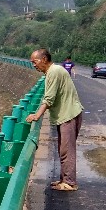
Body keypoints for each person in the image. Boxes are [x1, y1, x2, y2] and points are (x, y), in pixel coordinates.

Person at [26, 48, 84, 191]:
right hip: (65, 114)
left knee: (66, 150)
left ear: (44, 59)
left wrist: (37, 115)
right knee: (62, 148)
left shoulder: (54, 72)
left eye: (35, 61)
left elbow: (49, 98)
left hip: (68, 115)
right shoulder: (53, 71)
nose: (33, 65)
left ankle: (69, 183)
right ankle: (64, 179)